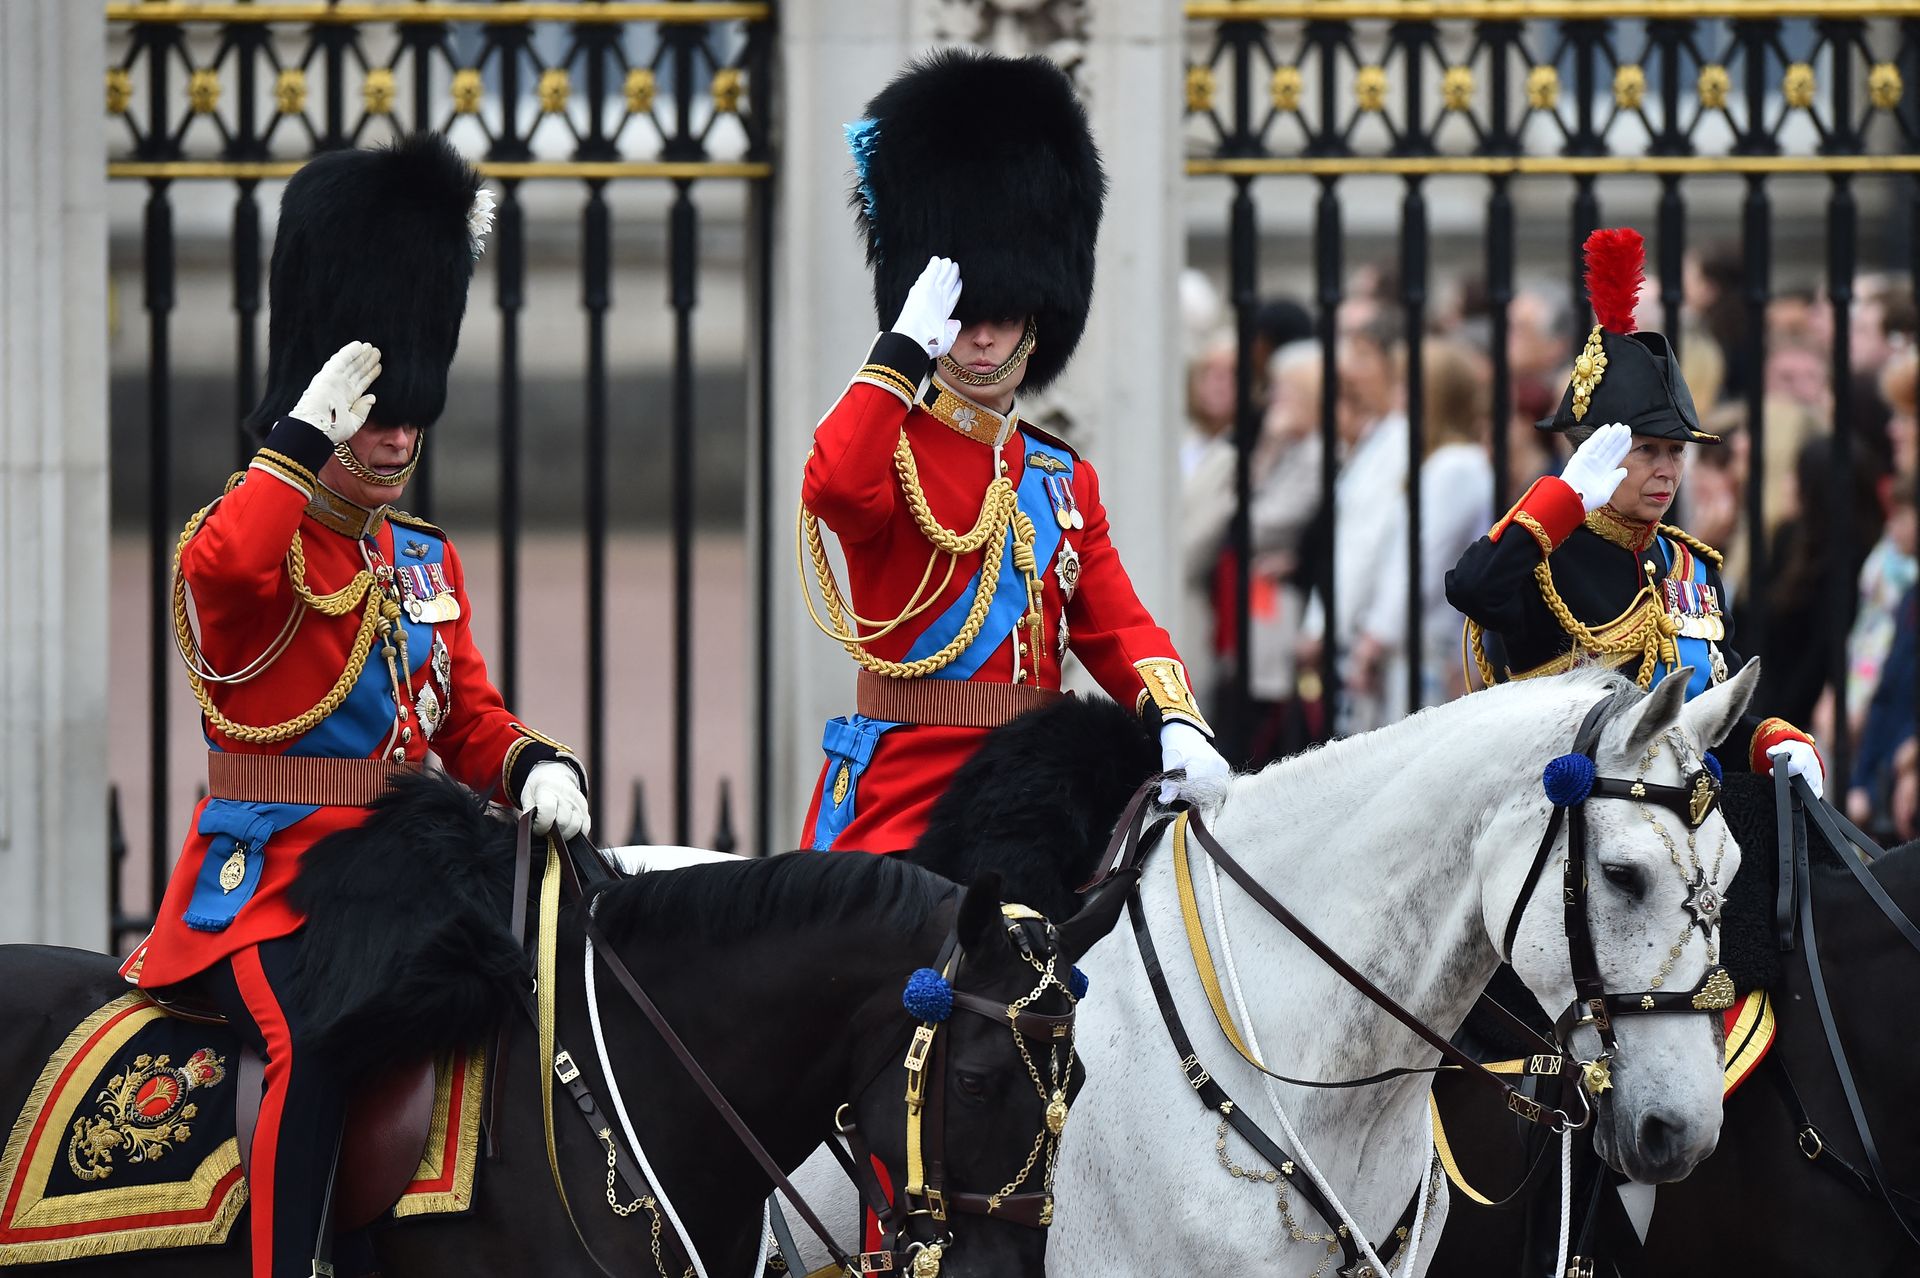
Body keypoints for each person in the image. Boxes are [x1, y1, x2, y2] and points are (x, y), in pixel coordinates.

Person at [120, 134, 591, 1278]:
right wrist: (294, 440)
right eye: (378, 412)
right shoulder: (252, 534)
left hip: (405, 874)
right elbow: (225, 573)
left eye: (410, 412)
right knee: (314, 1042)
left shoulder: (420, 557)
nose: (396, 434)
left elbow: (464, 720)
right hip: (270, 888)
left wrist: (533, 763)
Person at [798, 49, 1228, 854]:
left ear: (1038, 314)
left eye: (1003, 312)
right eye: (965, 313)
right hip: (909, 791)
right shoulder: (890, 443)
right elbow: (835, 489)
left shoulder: (1061, 479)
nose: (984, 334)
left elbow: (1118, 626)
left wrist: (1176, 718)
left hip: (1034, 793)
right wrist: (901, 350)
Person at [1446, 227, 1823, 791]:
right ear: (1594, 453)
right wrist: (1564, 498)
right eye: (1646, 450)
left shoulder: (1691, 567)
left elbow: (1707, 715)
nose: (1667, 469)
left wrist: (1769, 741)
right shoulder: (1547, 553)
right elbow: (1472, 588)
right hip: (1560, 816)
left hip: (1675, 815)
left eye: (1676, 452)